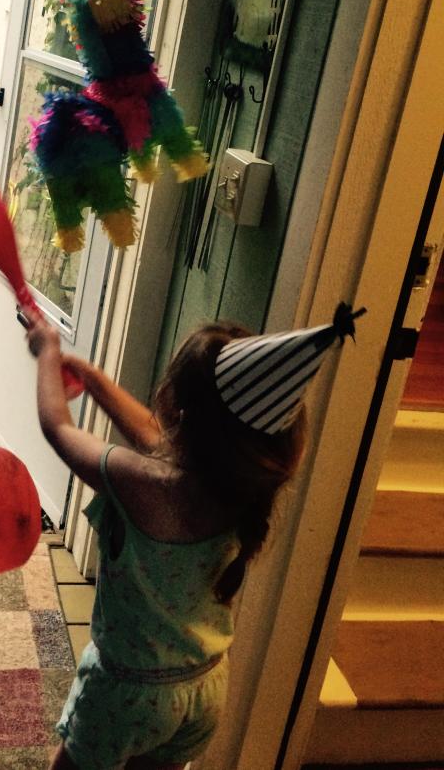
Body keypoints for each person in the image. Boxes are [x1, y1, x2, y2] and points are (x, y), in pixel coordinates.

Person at [26, 303, 364, 770]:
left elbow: (58, 427)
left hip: (124, 693)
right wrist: (94, 380)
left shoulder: (138, 481)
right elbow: (159, 439)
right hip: (203, 689)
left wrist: (47, 352)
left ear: (176, 406)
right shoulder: (241, 485)